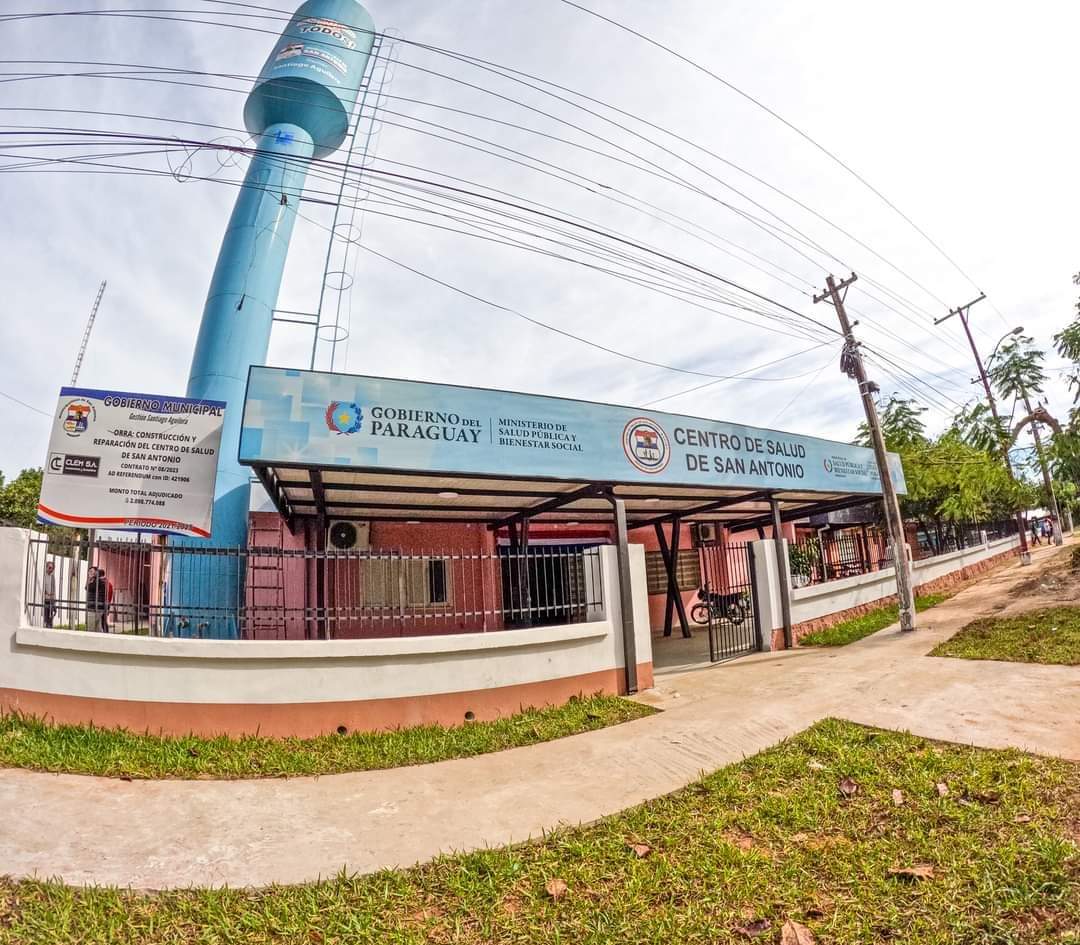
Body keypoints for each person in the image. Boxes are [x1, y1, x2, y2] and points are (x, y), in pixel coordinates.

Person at [85, 566, 107, 632]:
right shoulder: (99, 581)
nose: (90, 573)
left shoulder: (96, 582)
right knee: (98, 629)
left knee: (91, 629)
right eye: (89, 571)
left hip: (94, 608)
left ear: (96, 573)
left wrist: (89, 579)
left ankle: (91, 641)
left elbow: (87, 587)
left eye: (92, 571)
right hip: (98, 608)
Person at [42, 561, 56, 628]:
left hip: (51, 599)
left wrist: (53, 598)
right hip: (45, 598)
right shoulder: (44, 576)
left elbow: (53, 588)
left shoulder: (52, 576)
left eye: (52, 568)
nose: (51, 569)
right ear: (46, 567)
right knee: (46, 614)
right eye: (50, 567)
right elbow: (43, 586)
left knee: (52, 613)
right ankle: (46, 625)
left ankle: (50, 626)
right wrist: (46, 593)